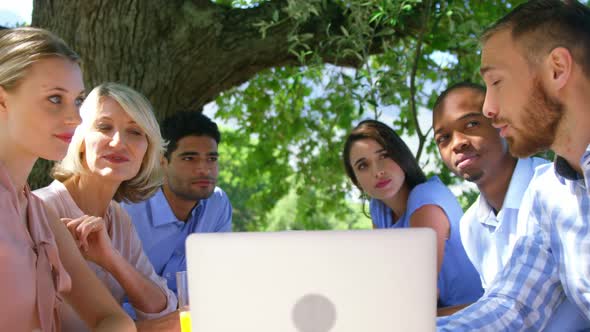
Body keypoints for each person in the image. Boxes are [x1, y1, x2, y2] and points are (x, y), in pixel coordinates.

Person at [438, 0, 590, 330]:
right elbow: (514, 304)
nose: (489, 108)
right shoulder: (549, 194)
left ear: (557, 70)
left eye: (497, 82)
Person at [0, 27, 134, 331]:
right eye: (55, 98)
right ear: (2, 100)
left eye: (77, 100)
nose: (75, 118)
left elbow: (114, 319)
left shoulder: (41, 216)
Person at [34, 82, 177, 331]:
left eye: (135, 131)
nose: (119, 142)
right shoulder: (41, 210)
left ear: (148, 149)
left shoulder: (118, 218)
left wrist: (111, 258)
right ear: (79, 139)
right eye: (104, 127)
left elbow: (161, 307)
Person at [342, 119, 483, 310]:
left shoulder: (425, 200)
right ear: (356, 181)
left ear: (400, 156)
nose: (377, 171)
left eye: (383, 156)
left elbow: (418, 298)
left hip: (468, 314)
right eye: (362, 166)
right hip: (429, 315)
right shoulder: (379, 209)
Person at [123, 111, 232, 294]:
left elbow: (217, 280)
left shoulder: (218, 205)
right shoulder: (128, 212)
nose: (204, 169)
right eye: (189, 158)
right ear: (162, 162)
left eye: (211, 159)